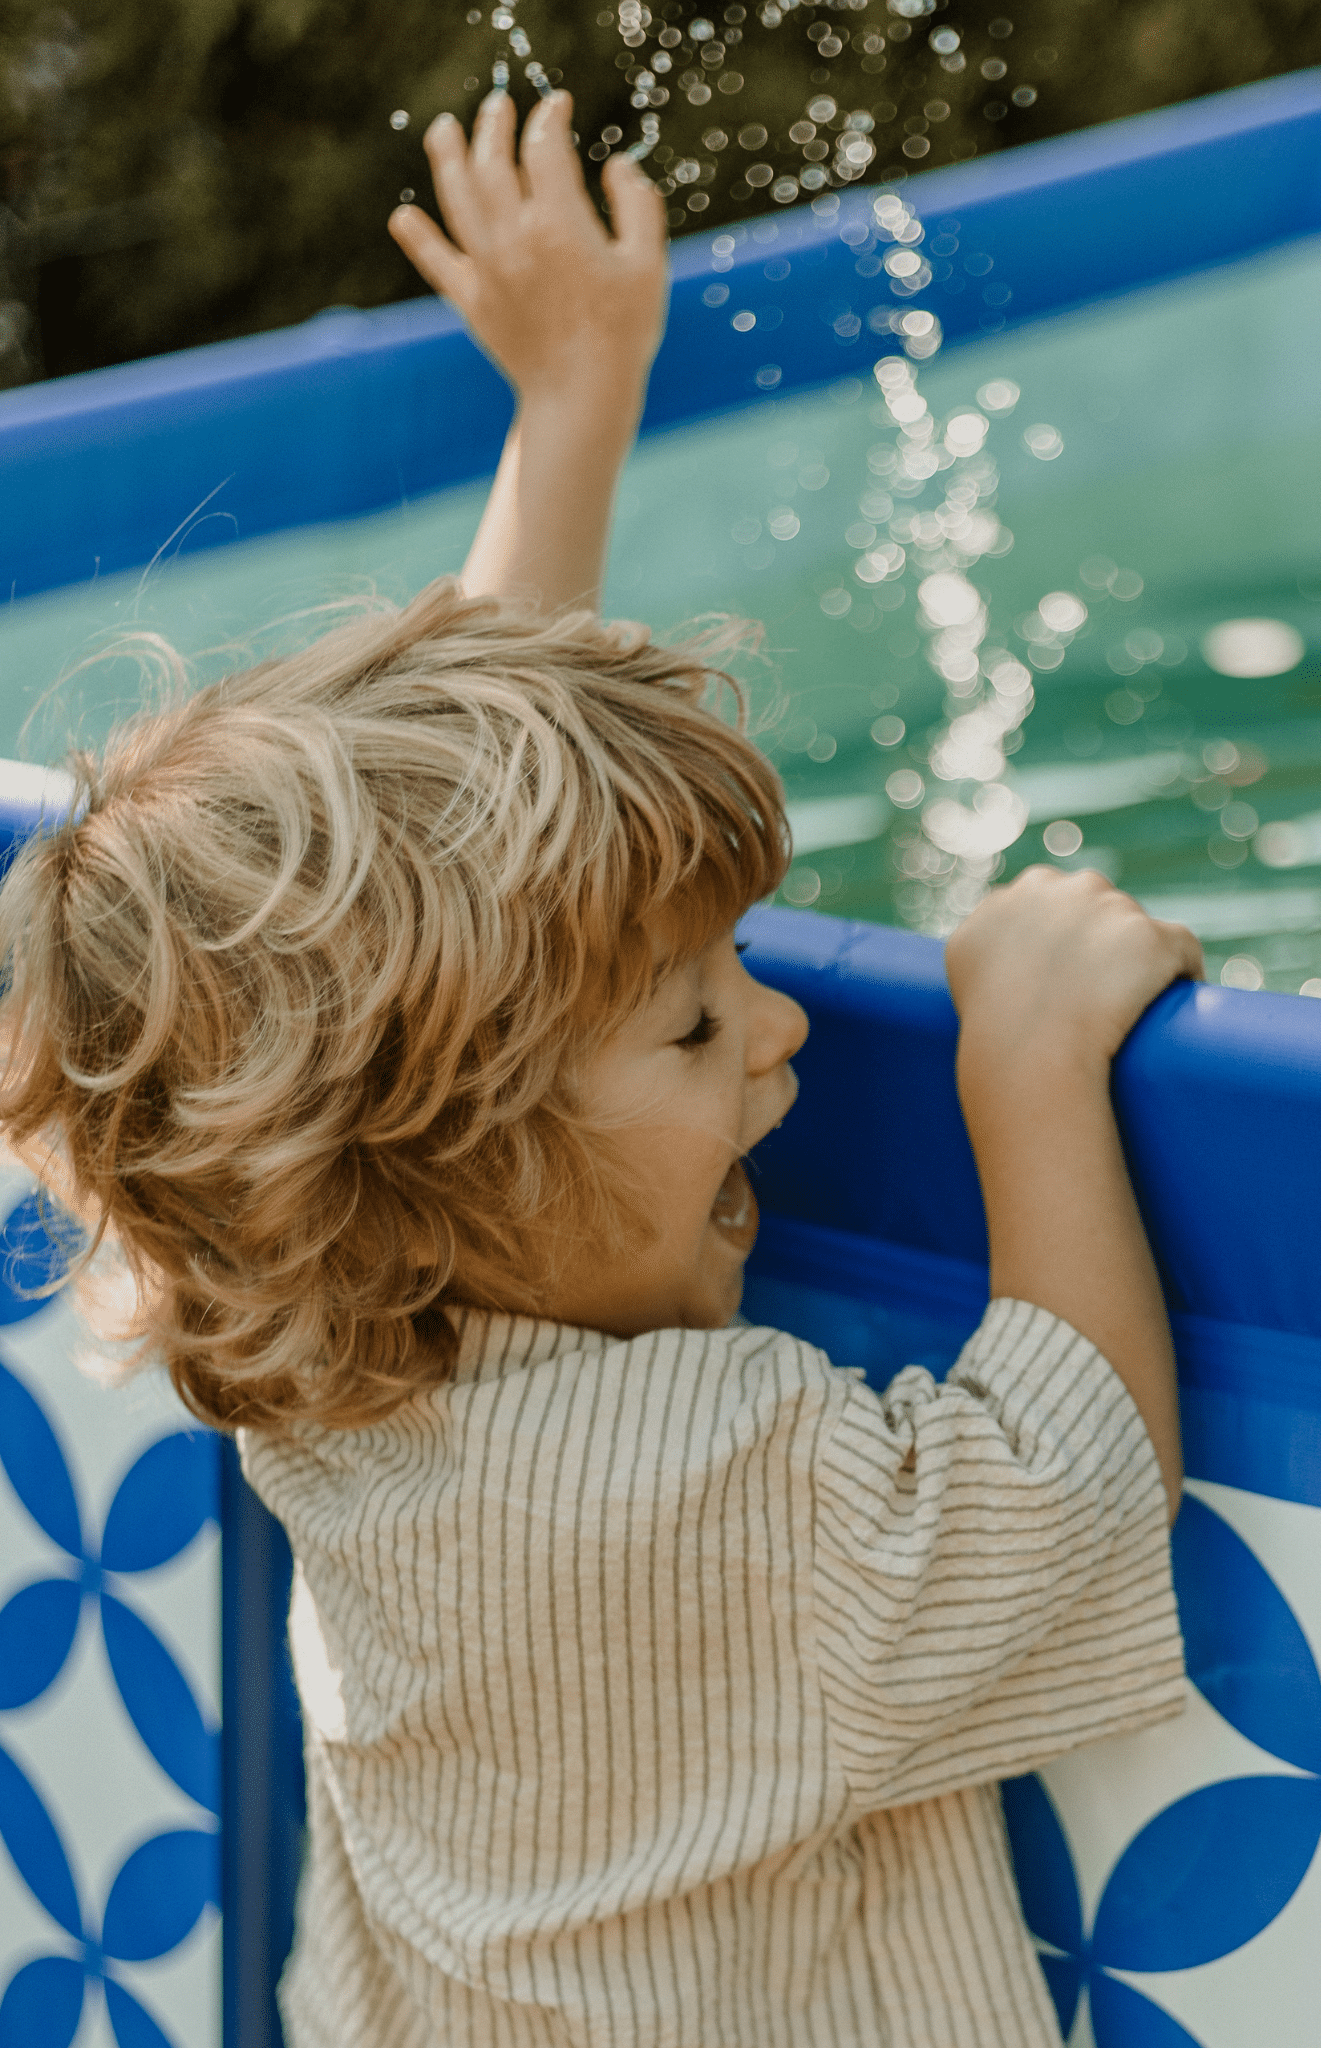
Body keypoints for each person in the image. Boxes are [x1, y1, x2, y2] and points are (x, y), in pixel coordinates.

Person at [0, 91, 1200, 2048]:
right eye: (700, 1022)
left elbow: (447, 881)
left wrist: (571, 408)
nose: (784, 1025)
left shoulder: (319, 1348)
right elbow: (1068, 1503)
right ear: (445, 1157)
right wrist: (1027, 1064)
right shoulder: (697, 1484)